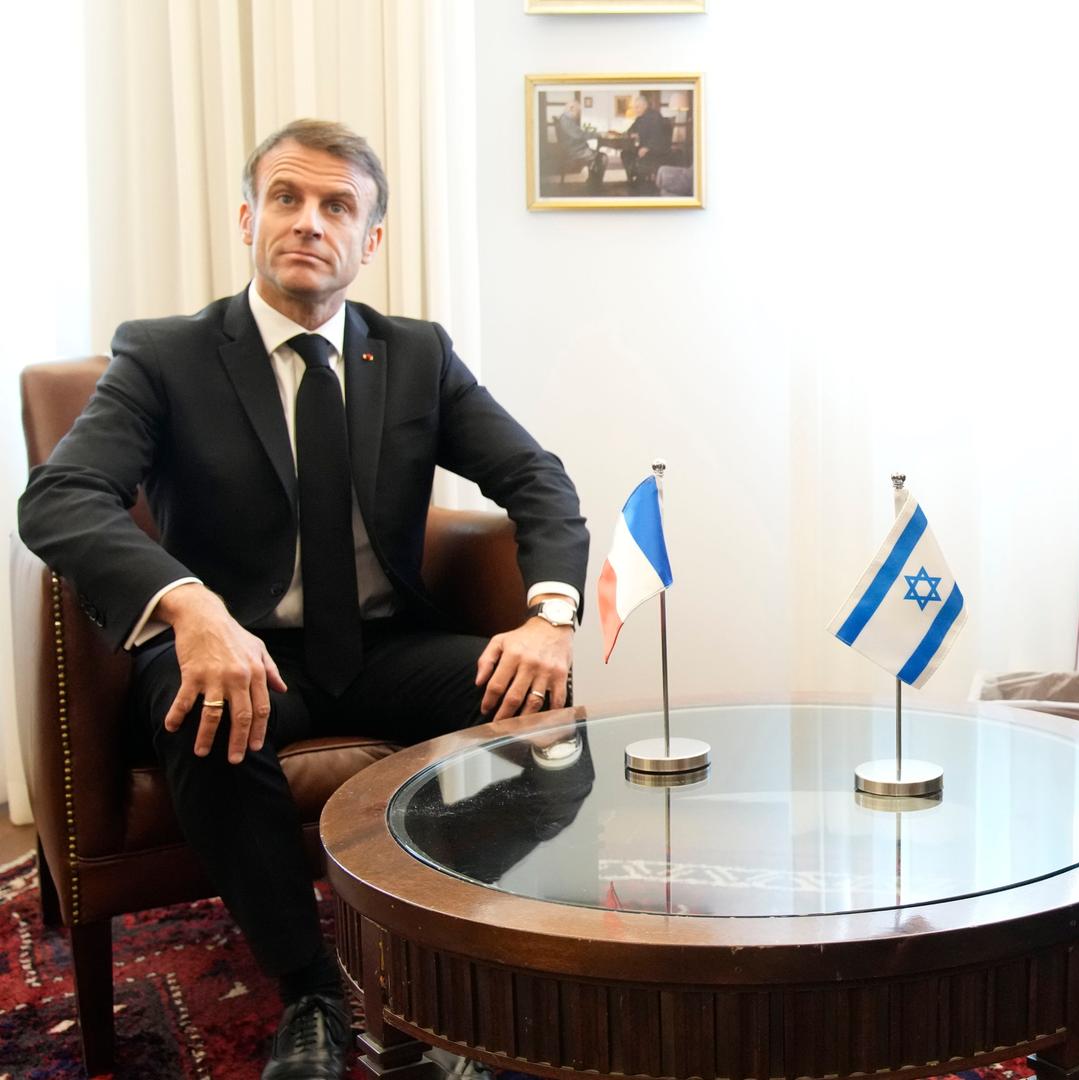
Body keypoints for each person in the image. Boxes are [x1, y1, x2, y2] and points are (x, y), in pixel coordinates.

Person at [18, 119, 590, 1080]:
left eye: (337, 206)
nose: (308, 222)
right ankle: (314, 994)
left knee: (545, 727)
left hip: (382, 646)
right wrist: (190, 608)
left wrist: (547, 618)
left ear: (369, 242)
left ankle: (421, 956)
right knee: (206, 711)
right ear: (249, 217)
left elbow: (535, 477)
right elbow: (59, 498)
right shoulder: (166, 356)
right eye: (286, 198)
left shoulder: (415, 356)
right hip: (237, 647)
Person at [616, 93, 673, 194]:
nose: (635, 110)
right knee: (625, 153)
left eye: (637, 107)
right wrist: (632, 134)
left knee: (642, 158)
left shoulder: (655, 116)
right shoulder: (639, 118)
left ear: (645, 106)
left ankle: (642, 183)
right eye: (635, 107)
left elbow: (657, 136)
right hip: (642, 147)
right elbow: (630, 130)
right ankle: (632, 179)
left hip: (656, 149)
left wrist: (647, 147)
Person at [553, 99, 605, 187]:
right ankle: (595, 186)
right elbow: (579, 135)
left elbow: (577, 133)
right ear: (571, 108)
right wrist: (598, 134)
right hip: (574, 151)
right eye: (578, 111)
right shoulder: (566, 120)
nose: (578, 114)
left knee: (597, 156)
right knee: (603, 158)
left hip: (573, 149)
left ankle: (592, 182)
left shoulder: (565, 119)